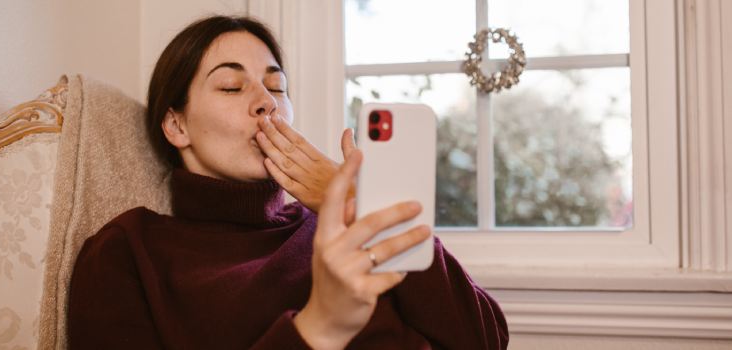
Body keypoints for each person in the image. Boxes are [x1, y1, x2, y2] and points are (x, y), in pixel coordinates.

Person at [67, 15, 508, 350]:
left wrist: (366, 207)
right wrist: (319, 327)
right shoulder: (129, 250)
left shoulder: (335, 226)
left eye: (276, 88)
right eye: (231, 87)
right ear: (176, 125)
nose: (266, 104)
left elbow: (485, 339)